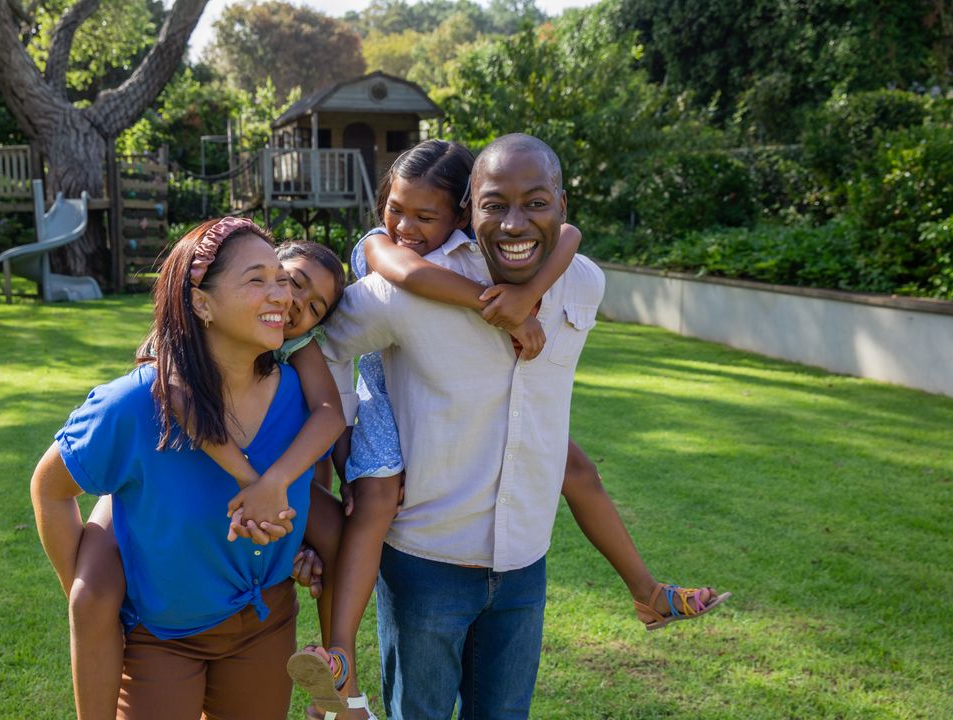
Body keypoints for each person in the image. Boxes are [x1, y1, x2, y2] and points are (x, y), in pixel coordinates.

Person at [306, 135, 727, 719]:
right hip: (426, 560)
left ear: (561, 202)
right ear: (470, 209)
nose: (513, 223)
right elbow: (318, 343)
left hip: (525, 562)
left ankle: (648, 595)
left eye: (535, 202)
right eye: (495, 204)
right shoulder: (406, 290)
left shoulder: (583, 283)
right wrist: (349, 439)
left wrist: (528, 293)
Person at [30, 218, 345, 719]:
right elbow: (50, 489)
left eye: (281, 280)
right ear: (202, 302)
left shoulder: (299, 394)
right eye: (256, 279)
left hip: (264, 624)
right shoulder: (134, 403)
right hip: (161, 640)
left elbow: (323, 463)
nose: (282, 296)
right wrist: (94, 601)